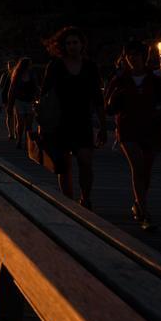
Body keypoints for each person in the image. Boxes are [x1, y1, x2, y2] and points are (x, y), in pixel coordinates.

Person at [105, 41, 161, 231]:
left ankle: (138, 202)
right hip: (128, 129)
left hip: (152, 130)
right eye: (129, 55)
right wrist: (115, 98)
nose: (133, 58)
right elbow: (108, 108)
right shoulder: (119, 80)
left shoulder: (156, 81)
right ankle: (144, 211)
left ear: (144, 56)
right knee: (138, 165)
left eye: (136, 54)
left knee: (145, 170)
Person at [40, 26, 107, 208]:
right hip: (59, 123)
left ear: (82, 44)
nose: (71, 46)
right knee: (64, 166)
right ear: (63, 45)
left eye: (75, 42)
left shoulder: (90, 67)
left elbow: (97, 97)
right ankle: (69, 205)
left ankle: (85, 199)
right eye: (68, 43)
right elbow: (45, 96)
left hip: (83, 121)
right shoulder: (55, 66)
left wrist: (103, 125)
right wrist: (41, 126)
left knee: (85, 161)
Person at [7, 58, 38, 149]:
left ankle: (27, 142)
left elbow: (36, 87)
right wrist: (10, 103)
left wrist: (37, 97)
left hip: (30, 101)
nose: (30, 66)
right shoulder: (17, 75)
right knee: (20, 123)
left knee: (29, 124)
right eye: (29, 64)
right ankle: (19, 139)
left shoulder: (32, 75)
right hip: (19, 101)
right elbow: (12, 89)